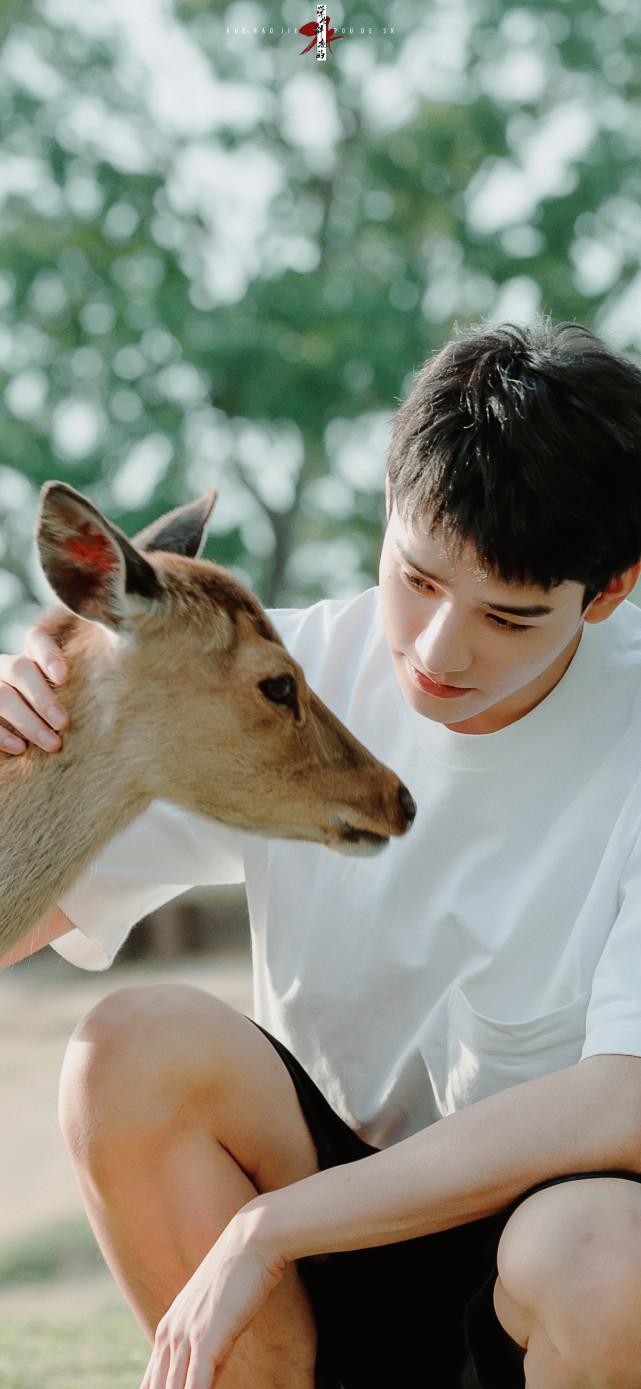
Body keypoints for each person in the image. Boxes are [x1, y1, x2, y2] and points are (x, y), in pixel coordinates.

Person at [3, 317, 641, 1389]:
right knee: (127, 1049)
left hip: (548, 1255)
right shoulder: (268, 684)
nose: (438, 654)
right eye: (418, 579)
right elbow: (24, 910)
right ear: (387, 509)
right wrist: (43, 739)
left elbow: (613, 1105)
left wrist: (267, 1232)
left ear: (610, 590)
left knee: (599, 1256)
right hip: (337, 1233)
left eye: (508, 616)